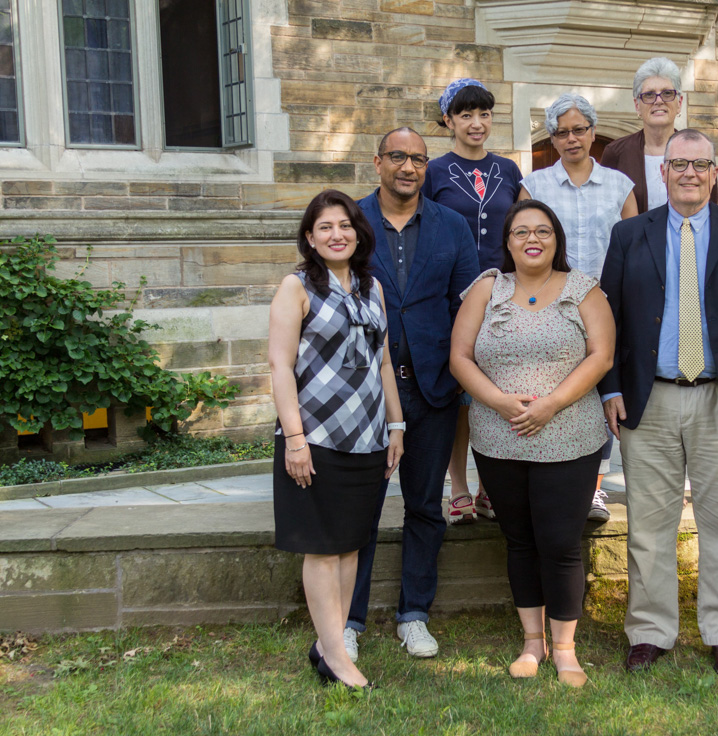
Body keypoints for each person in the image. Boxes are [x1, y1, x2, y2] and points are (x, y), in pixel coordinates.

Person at [599, 129, 718, 675]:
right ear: (663, 172)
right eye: (679, 164)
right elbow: (609, 315)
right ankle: (650, 631)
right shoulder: (630, 234)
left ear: (715, 172)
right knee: (648, 527)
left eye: (700, 165)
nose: (689, 174)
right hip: (647, 400)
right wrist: (609, 387)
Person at [451, 200, 614, 687]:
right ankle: (532, 643)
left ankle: (565, 648)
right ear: (507, 242)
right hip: (499, 438)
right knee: (519, 540)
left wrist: (551, 404)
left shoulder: (584, 289)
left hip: (568, 436)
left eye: (543, 230)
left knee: (561, 543)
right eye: (521, 232)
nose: (532, 239)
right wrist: (499, 401)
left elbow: (601, 356)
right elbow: (459, 356)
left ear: (556, 239)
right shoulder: (486, 289)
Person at [343, 128, 480, 661]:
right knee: (362, 509)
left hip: (432, 387)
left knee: (425, 506)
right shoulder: (350, 222)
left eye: (418, 159)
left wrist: (461, 374)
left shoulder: (452, 225)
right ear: (377, 161)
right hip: (364, 389)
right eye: (397, 156)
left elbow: (467, 304)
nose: (408, 166)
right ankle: (349, 620)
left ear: (428, 166)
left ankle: (414, 614)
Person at [269, 189, 405, 690]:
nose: (336, 234)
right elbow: (280, 366)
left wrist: (396, 426)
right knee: (323, 550)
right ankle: (336, 656)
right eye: (325, 226)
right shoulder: (297, 287)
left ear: (358, 231)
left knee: (349, 546)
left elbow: (384, 363)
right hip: (315, 438)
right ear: (310, 236)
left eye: (344, 224)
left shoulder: (372, 287)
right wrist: (295, 440)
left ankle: (331, 643)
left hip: (367, 438)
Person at [519, 92, 636, 523]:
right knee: (555, 388)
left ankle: (596, 488)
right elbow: (523, 240)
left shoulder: (621, 186)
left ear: (592, 131)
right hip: (552, 305)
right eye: (562, 132)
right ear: (552, 137)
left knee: (598, 389)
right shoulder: (535, 186)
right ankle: (547, 474)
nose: (572, 139)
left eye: (580, 129)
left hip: (604, 304)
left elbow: (632, 250)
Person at [423, 77, 523, 526]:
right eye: (466, 114)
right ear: (449, 120)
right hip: (452, 296)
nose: (476, 123)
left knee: (497, 390)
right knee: (461, 394)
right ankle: (459, 488)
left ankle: (489, 487)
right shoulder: (434, 171)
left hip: (504, 296)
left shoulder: (510, 170)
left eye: (484, 114)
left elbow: (524, 229)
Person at [601, 56, 718, 212]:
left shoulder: (700, 150)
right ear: (637, 105)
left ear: (680, 103)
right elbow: (605, 210)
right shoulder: (616, 153)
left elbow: (712, 209)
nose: (658, 101)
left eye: (667, 93)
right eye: (649, 95)